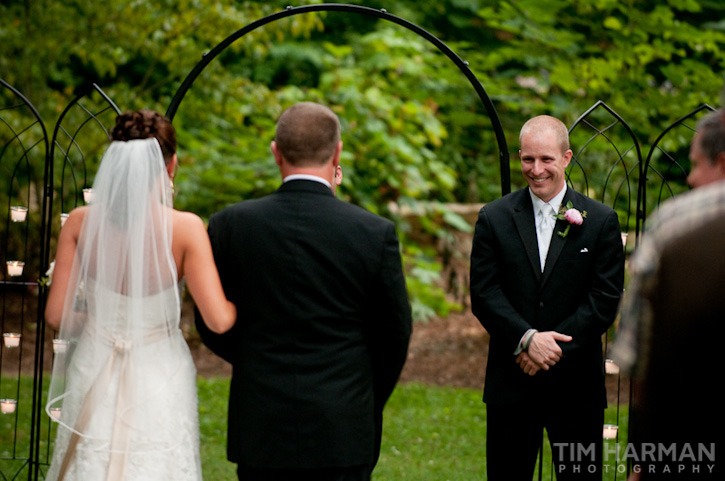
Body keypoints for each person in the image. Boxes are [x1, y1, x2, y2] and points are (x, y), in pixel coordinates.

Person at [194, 101, 412, 481]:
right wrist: (361, 395)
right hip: (342, 422)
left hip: (261, 422)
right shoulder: (373, 233)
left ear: (275, 152)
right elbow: (395, 333)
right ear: (337, 151)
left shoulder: (231, 225)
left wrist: (255, 360)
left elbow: (208, 321)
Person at [44, 109, 236, 481]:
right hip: (159, 371)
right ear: (171, 164)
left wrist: (100, 323)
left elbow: (56, 314)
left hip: (95, 361)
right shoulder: (186, 229)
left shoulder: (81, 222)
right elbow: (218, 319)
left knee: (89, 461)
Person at [469, 115, 625, 480]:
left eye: (546, 159)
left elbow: (604, 298)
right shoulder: (493, 217)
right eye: (527, 159)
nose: (536, 170)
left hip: (576, 388)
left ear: (567, 158)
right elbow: (484, 292)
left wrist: (550, 348)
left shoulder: (600, 221)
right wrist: (526, 339)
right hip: (512, 384)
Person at [612, 109, 725, 480]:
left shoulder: (675, 223)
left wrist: (643, 459)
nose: (690, 177)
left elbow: (639, 357)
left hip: (691, 434)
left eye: (695, 164)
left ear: (721, 162)